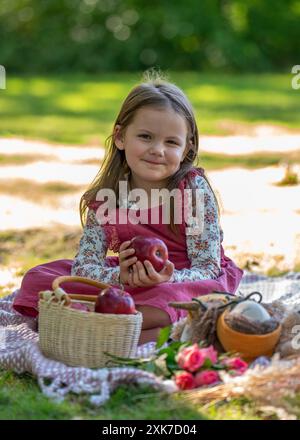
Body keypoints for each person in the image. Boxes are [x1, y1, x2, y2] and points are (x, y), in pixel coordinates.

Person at [13, 70, 243, 344]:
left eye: (171, 142)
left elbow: (207, 267)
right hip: (126, 280)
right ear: (120, 136)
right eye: (145, 137)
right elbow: (84, 267)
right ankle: (133, 327)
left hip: (183, 279)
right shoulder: (108, 197)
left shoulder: (192, 191)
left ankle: (101, 324)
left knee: (180, 298)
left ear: (186, 148)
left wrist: (164, 278)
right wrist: (120, 276)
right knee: (39, 278)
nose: (158, 149)